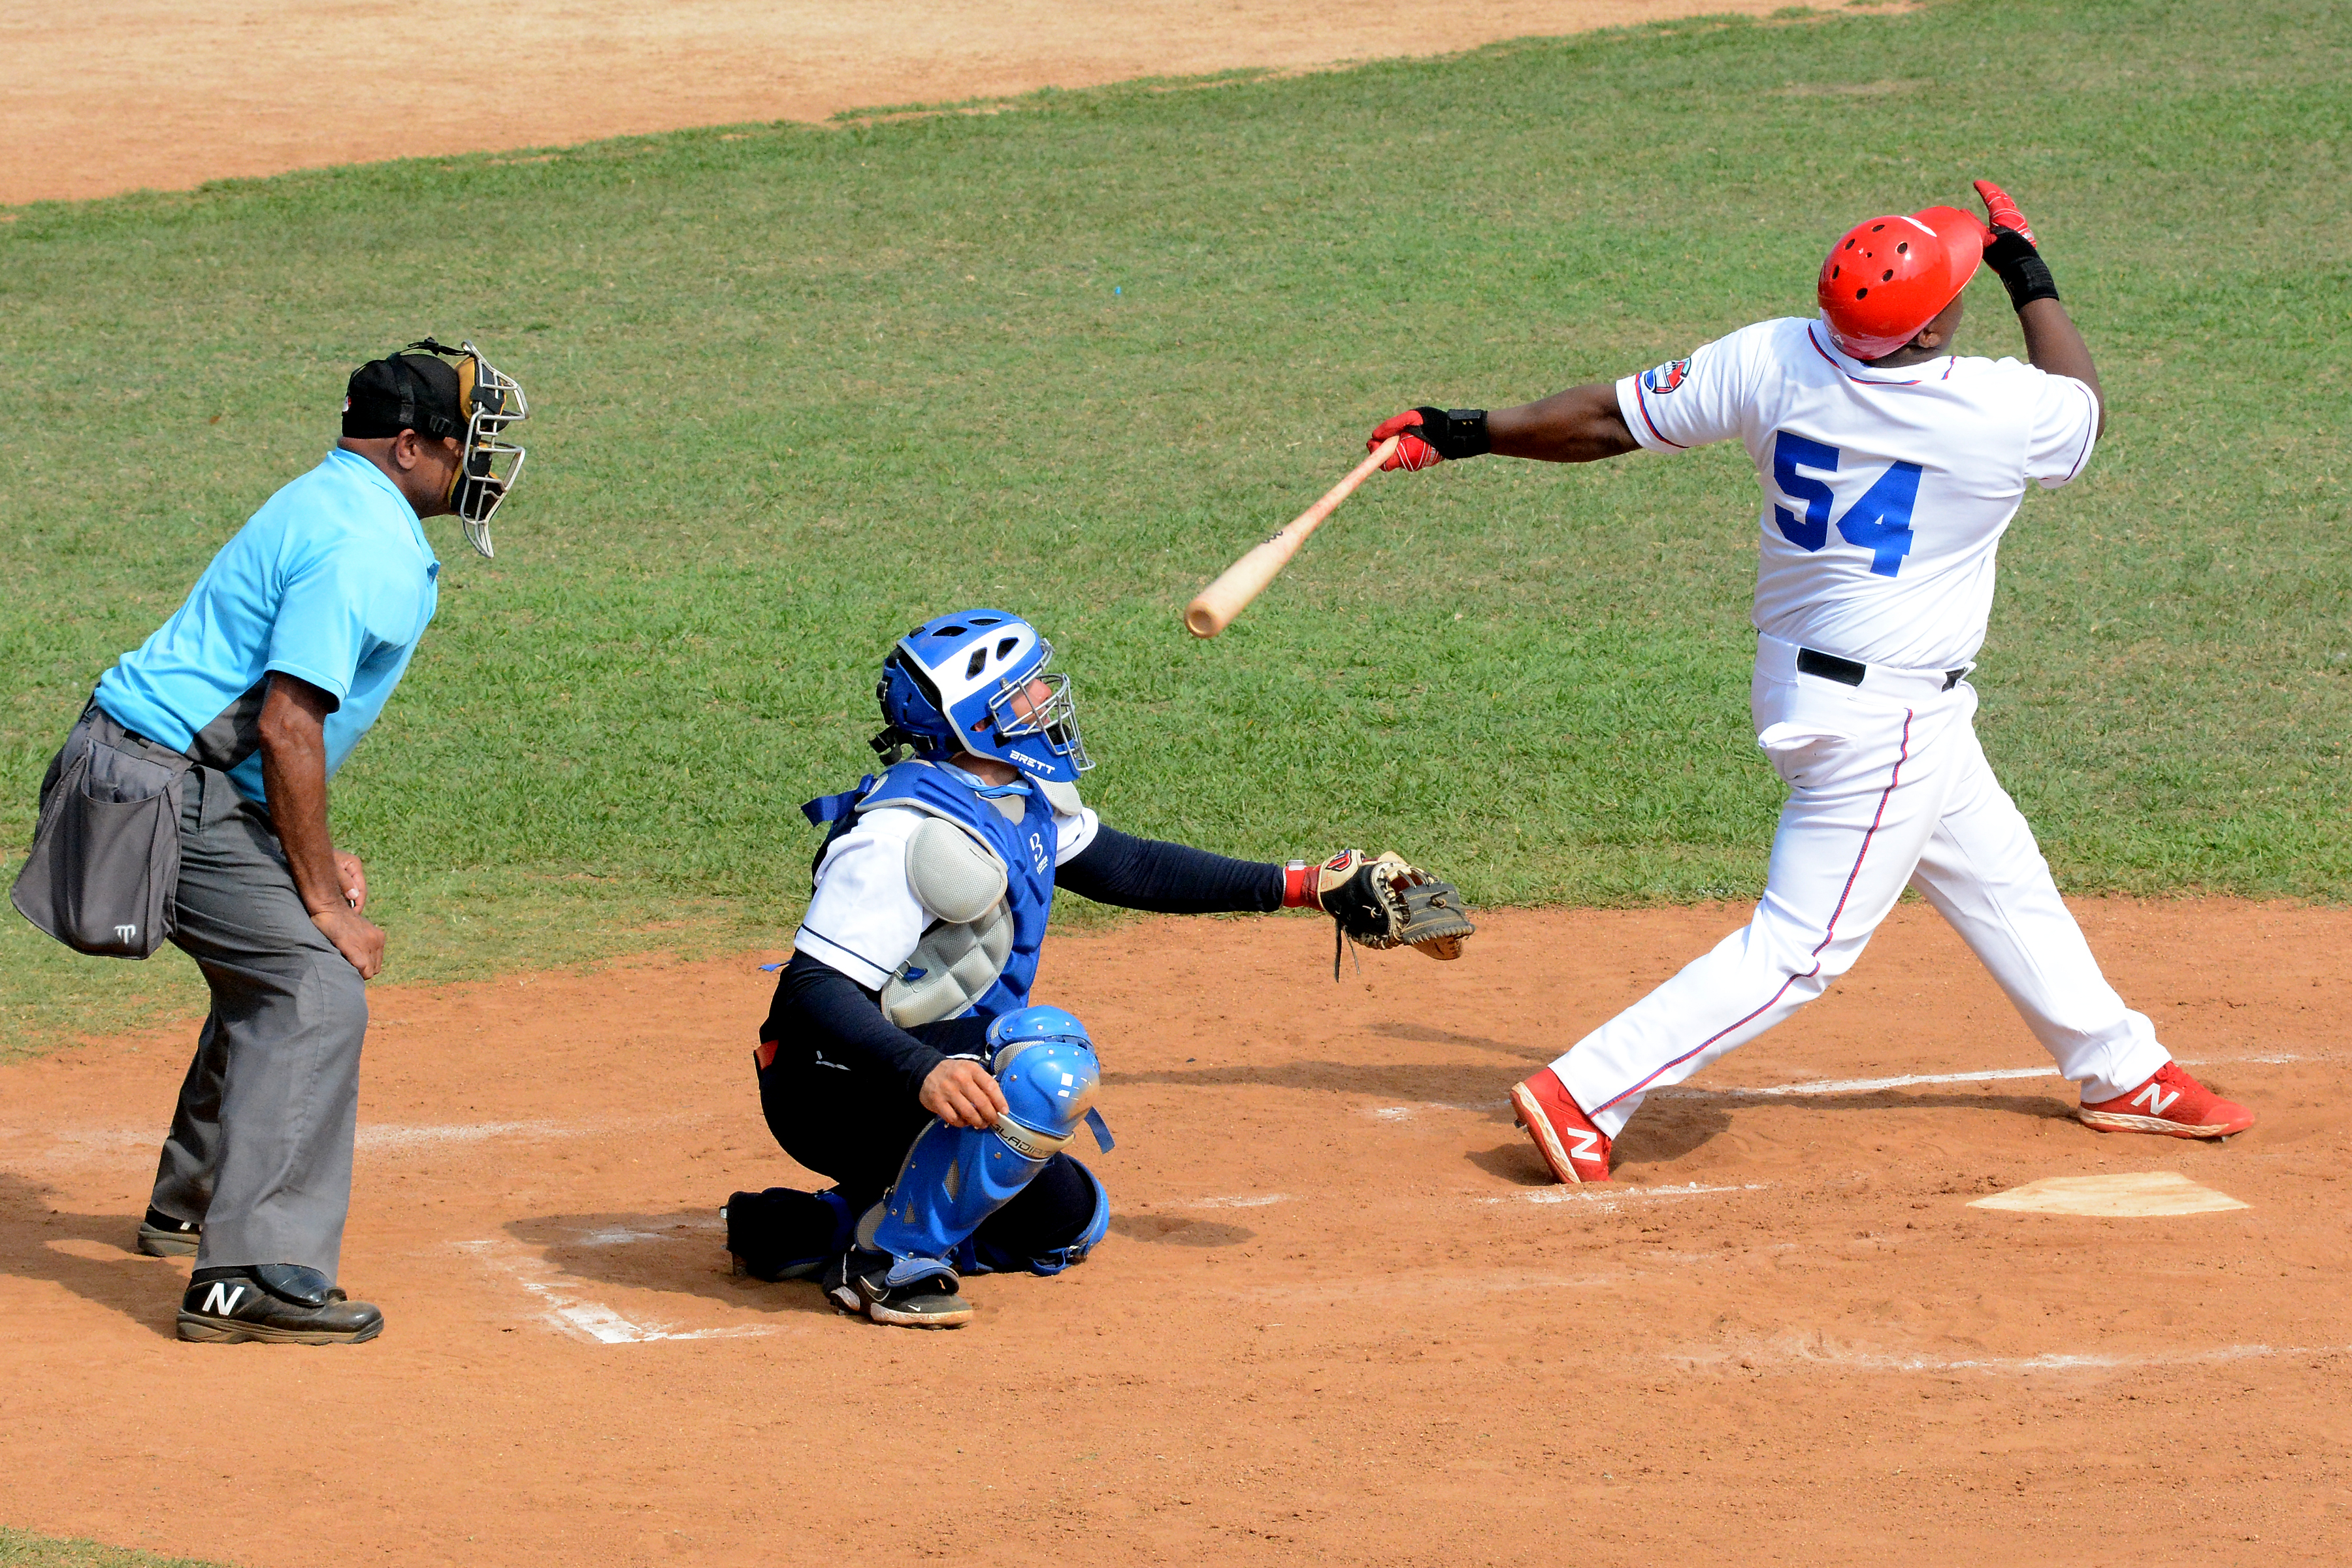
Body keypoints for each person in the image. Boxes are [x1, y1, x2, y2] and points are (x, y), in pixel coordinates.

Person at [1360, 180, 2251, 1185]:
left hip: (1817, 685)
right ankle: (1587, 1090)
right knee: (1804, 947)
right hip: (1886, 716)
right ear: (1924, 333)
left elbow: (1606, 422)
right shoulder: (1995, 411)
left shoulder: (1775, 354)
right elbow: (2085, 405)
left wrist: (1462, 428)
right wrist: (2026, 267)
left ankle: (2118, 1066)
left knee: (1999, 870)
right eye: (1955, 286)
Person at [726, 609, 1473, 1326]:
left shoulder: (1019, 795)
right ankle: (888, 1263)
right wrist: (922, 1070)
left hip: (923, 1074)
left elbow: (1134, 868)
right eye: (1025, 689)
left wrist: (1303, 885)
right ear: (974, 718)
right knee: (1047, 1063)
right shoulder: (904, 833)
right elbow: (810, 990)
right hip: (833, 1082)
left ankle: (810, 1227)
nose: (1047, 700)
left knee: (1067, 1223)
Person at [22, 339, 529, 1339]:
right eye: (464, 439)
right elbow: (287, 724)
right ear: (405, 448)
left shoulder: (330, 495)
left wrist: (295, 855)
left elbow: (266, 720)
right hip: (155, 792)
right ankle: (245, 1274)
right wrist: (321, 899)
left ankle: (192, 1200)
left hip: (157, 770)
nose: (477, 460)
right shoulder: (363, 545)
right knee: (311, 981)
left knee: (271, 959)